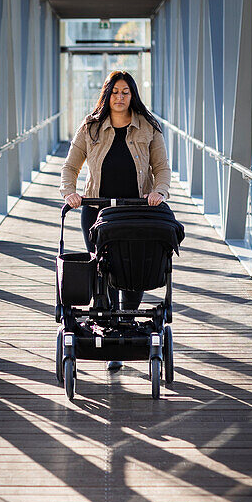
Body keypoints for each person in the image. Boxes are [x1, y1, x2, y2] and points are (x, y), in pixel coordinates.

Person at [60, 71, 171, 369]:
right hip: (98, 212)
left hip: (137, 212)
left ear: (133, 95)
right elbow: (70, 167)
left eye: (126, 92)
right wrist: (70, 193)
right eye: (115, 92)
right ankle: (112, 338)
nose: (120, 97)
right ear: (106, 94)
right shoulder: (91, 127)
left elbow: (161, 169)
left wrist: (159, 191)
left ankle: (125, 326)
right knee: (104, 270)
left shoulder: (149, 127)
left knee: (134, 272)